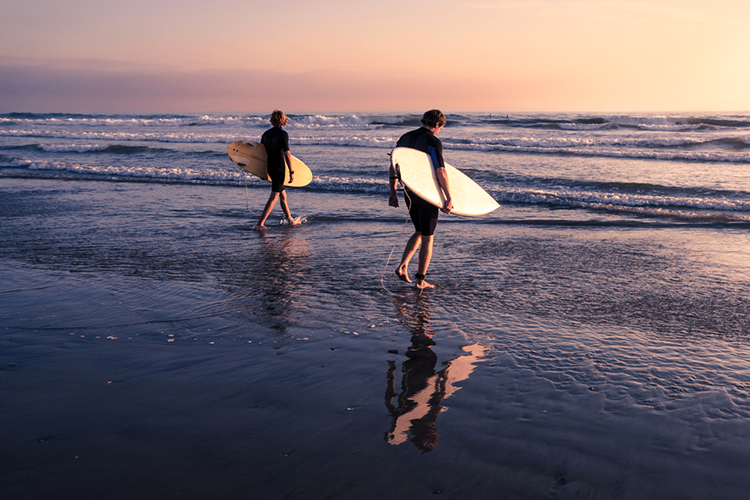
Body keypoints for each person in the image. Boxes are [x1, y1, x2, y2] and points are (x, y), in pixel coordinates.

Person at [388, 109, 453, 289]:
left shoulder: (404, 137)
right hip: (426, 194)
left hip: (409, 191)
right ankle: (420, 280)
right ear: (438, 125)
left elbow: (393, 165)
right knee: (428, 237)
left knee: (419, 230)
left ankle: (402, 266)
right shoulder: (433, 141)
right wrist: (448, 197)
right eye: (441, 127)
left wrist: (393, 192)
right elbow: (441, 170)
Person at [255, 110, 301, 230]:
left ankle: (290, 219)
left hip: (270, 167)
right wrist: (291, 172)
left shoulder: (265, 134)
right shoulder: (283, 134)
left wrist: (261, 171)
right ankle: (260, 224)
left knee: (283, 194)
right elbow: (287, 154)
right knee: (275, 196)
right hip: (279, 168)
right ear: (283, 120)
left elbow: (261, 154)